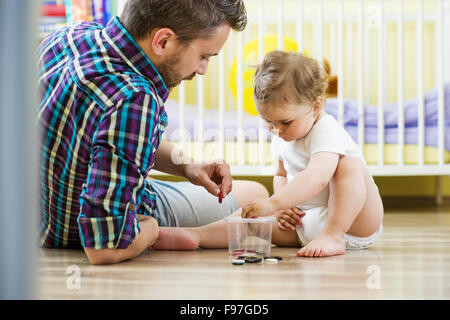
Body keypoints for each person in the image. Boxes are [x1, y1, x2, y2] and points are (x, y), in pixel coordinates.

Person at [37, 0, 270, 265]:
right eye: (204, 56)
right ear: (163, 41)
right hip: (80, 229)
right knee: (256, 194)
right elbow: (105, 248)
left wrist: (188, 166)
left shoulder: (68, 37)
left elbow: (111, 135)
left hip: (39, 217)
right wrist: (150, 229)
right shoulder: (135, 97)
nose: (203, 70)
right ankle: (187, 235)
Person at [151, 51, 384, 257]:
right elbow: (281, 174)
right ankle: (196, 236)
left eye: (285, 122)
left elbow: (318, 176)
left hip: (353, 222)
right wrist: (283, 209)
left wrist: (274, 202)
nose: (276, 130)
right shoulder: (281, 134)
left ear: (315, 106)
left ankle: (333, 236)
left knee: (350, 166)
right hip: (306, 223)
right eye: (268, 122)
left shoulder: (326, 129)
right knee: (249, 216)